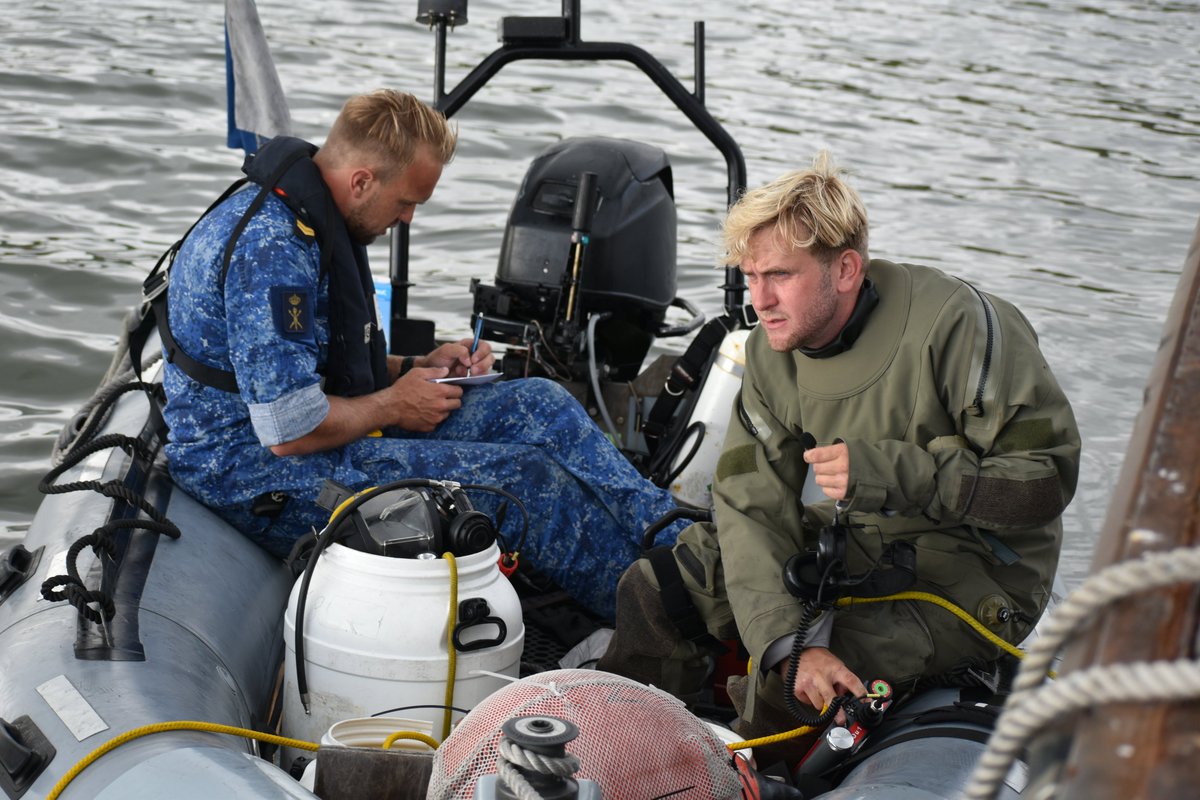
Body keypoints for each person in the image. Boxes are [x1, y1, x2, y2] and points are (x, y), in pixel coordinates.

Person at [596, 152, 1081, 754]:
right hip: (852, 540)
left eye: (779, 276)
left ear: (846, 269)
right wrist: (780, 639)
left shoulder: (961, 329)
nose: (761, 299)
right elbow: (750, 506)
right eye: (750, 277)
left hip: (974, 574)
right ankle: (622, 759)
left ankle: (742, 776)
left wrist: (892, 474)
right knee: (658, 588)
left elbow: (1043, 485)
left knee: (796, 686)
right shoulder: (773, 356)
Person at [158, 89, 683, 617]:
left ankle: (677, 544)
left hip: (309, 433)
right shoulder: (271, 249)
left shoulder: (313, 218)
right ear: (362, 180)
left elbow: (313, 361)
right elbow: (287, 429)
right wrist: (394, 404)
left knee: (540, 405)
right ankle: (665, 620)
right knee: (524, 479)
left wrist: (415, 368)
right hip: (248, 470)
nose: (407, 219)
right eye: (406, 202)